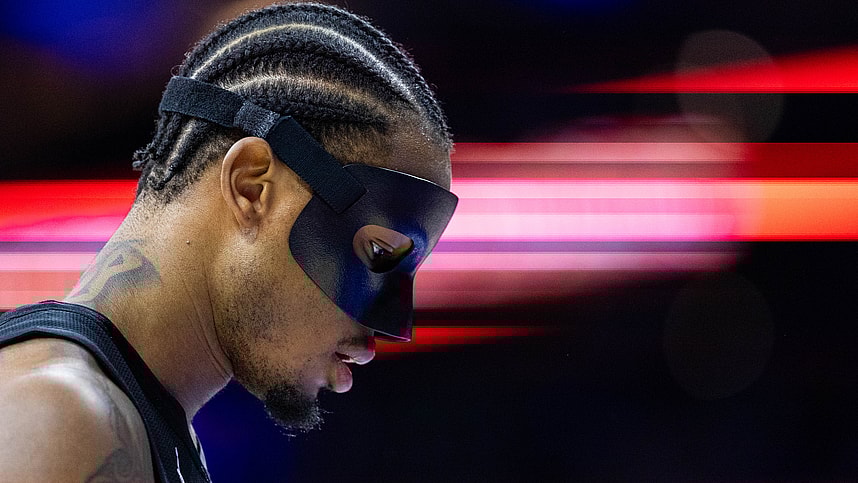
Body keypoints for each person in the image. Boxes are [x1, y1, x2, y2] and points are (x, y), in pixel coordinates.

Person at [0, 3, 457, 482]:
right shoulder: (65, 417)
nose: (390, 330)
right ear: (251, 187)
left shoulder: (137, 423)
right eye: (377, 255)